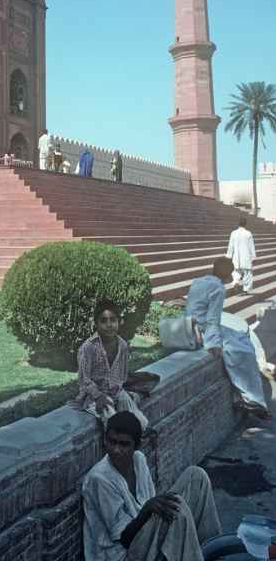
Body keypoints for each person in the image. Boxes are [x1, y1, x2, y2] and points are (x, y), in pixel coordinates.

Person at [82, 411, 222, 561]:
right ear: (105, 440)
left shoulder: (139, 460)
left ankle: (215, 552)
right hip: (120, 554)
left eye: (124, 444)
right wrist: (147, 509)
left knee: (196, 476)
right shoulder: (99, 479)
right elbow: (124, 539)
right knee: (177, 509)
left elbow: (153, 506)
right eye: (112, 442)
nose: (116, 450)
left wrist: (150, 508)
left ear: (136, 445)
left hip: (143, 535)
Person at [185, 256, 270, 420]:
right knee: (241, 350)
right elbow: (213, 319)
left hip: (193, 324)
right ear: (228, 275)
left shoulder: (199, 281)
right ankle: (251, 398)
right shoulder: (218, 288)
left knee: (242, 338)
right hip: (202, 330)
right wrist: (214, 343)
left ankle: (246, 396)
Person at [75, 300, 148, 432]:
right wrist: (98, 396)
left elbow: (122, 375)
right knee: (113, 422)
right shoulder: (88, 348)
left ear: (119, 322)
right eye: (103, 321)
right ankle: (114, 450)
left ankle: (134, 448)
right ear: (96, 324)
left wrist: (120, 394)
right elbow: (83, 380)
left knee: (140, 423)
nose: (109, 325)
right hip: (93, 396)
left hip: (116, 392)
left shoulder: (123, 346)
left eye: (113, 320)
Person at [226, 215, 256, 294]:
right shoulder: (248, 233)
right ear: (245, 224)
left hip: (237, 257)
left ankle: (236, 282)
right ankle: (245, 290)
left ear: (238, 224)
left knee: (236, 272)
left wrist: (228, 256)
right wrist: (253, 256)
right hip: (246, 257)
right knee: (247, 273)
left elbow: (230, 246)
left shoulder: (233, 233)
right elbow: (251, 246)